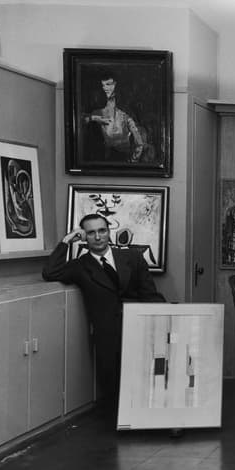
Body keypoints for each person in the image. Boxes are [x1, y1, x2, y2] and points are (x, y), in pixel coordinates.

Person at [42, 213, 165, 414]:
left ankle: (154, 416)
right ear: (84, 237)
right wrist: (66, 241)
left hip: (139, 326)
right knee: (113, 382)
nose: (98, 237)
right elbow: (50, 272)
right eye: (91, 233)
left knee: (151, 374)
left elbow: (150, 294)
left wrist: (164, 321)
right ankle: (125, 419)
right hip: (108, 334)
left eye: (102, 231)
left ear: (109, 232)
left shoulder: (132, 258)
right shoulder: (80, 266)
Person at [83, 70, 148, 163]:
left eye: (109, 84)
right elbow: (81, 120)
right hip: (101, 159)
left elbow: (139, 142)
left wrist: (133, 161)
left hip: (124, 158)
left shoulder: (126, 113)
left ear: (116, 85)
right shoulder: (97, 111)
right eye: (103, 85)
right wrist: (93, 118)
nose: (105, 88)